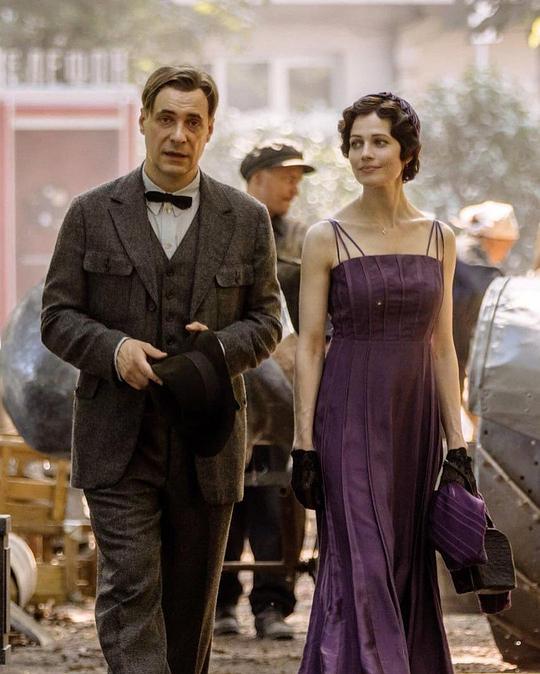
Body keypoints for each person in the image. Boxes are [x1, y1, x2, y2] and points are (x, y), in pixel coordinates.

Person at [41, 65, 282, 674]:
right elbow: (57, 316)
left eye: (193, 122)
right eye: (167, 118)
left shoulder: (247, 218)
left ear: (209, 130)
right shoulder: (90, 212)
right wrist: (113, 349)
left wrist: (219, 351)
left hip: (208, 442)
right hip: (116, 440)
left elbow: (267, 320)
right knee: (129, 590)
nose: (179, 134)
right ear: (143, 121)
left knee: (190, 609)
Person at [292, 92, 464, 673]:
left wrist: (458, 443)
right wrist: (303, 443)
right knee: (362, 559)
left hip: (415, 417)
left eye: (379, 142)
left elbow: (443, 345)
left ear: (406, 152)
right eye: (355, 143)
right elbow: (309, 345)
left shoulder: (439, 237)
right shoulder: (326, 236)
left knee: (406, 562)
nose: (364, 154)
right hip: (347, 414)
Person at [214, 142, 314, 640]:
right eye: (285, 176)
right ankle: (221, 603)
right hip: (230, 388)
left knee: (278, 498)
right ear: (256, 178)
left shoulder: (304, 239)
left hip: (286, 393)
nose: (294, 187)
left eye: (298, 178)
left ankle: (272, 605)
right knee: (225, 494)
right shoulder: (223, 230)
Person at [452, 201, 519, 393]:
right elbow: (492, 291)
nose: (506, 253)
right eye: (507, 246)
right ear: (493, 240)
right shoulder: (467, 257)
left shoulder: (463, 249)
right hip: (448, 349)